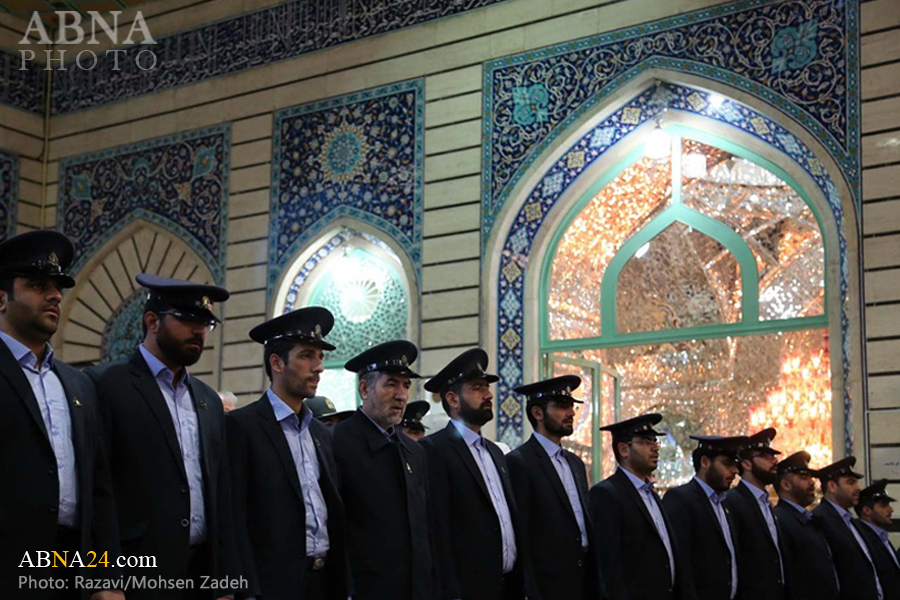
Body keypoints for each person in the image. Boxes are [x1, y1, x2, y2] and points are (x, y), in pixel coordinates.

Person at [87, 274, 240, 600]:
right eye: (187, 319)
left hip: (200, 575)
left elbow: (220, 494)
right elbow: (98, 489)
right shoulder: (106, 385)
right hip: (138, 574)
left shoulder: (208, 400)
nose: (199, 331)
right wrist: (104, 577)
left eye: (205, 323)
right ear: (152, 321)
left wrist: (225, 581)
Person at [0, 231, 123, 600]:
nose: (54, 296)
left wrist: (107, 577)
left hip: (69, 570)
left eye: (57, 288)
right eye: (38, 286)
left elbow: (99, 489)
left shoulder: (77, 384)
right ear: (1, 299)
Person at [227, 307, 349, 600]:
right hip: (272, 585)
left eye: (320, 357)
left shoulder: (320, 433)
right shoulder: (242, 427)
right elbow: (233, 519)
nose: (319, 367)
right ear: (277, 362)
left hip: (323, 583)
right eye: (307, 356)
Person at [419, 348, 530, 600]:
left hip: (506, 587)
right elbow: (437, 529)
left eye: (487, 388)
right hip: (467, 589)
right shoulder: (433, 450)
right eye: (477, 388)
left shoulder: (496, 452)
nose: (488, 395)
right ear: (453, 399)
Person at [332, 340, 437, 600]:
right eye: (391, 384)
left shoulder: (415, 452)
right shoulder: (335, 443)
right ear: (364, 389)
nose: (401, 395)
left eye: (406, 385)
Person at [507, 375, 607, 600]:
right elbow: (522, 533)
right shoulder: (519, 462)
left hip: (583, 581)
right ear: (538, 413)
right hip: (547, 585)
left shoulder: (575, 463)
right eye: (562, 406)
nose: (571, 413)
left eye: (571, 406)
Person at [588, 413, 685, 600]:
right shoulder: (607, 494)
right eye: (646, 442)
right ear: (624, 449)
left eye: (655, 441)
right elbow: (609, 566)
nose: (655, 448)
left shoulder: (651, 495)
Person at [662, 435, 748, 600]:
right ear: (705, 462)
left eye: (735, 465)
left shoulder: (725, 503)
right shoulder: (681, 499)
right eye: (727, 464)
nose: (735, 471)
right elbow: (681, 562)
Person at [723, 428, 786, 600]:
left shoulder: (767, 503)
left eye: (773, 456)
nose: (774, 461)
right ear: (747, 464)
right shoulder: (732, 501)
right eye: (766, 456)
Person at [772, 451, 839, 600]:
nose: (812, 483)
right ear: (786, 485)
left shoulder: (808, 519)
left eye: (810, 477)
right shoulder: (780, 519)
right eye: (804, 477)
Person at [812, 457, 882, 600]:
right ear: (832, 486)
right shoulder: (820, 519)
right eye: (851, 482)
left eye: (856, 482)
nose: (858, 488)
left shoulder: (852, 521)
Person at [855, 479, 900, 600]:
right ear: (867, 510)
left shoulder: (881, 537)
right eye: (884, 505)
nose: (890, 510)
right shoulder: (863, 539)